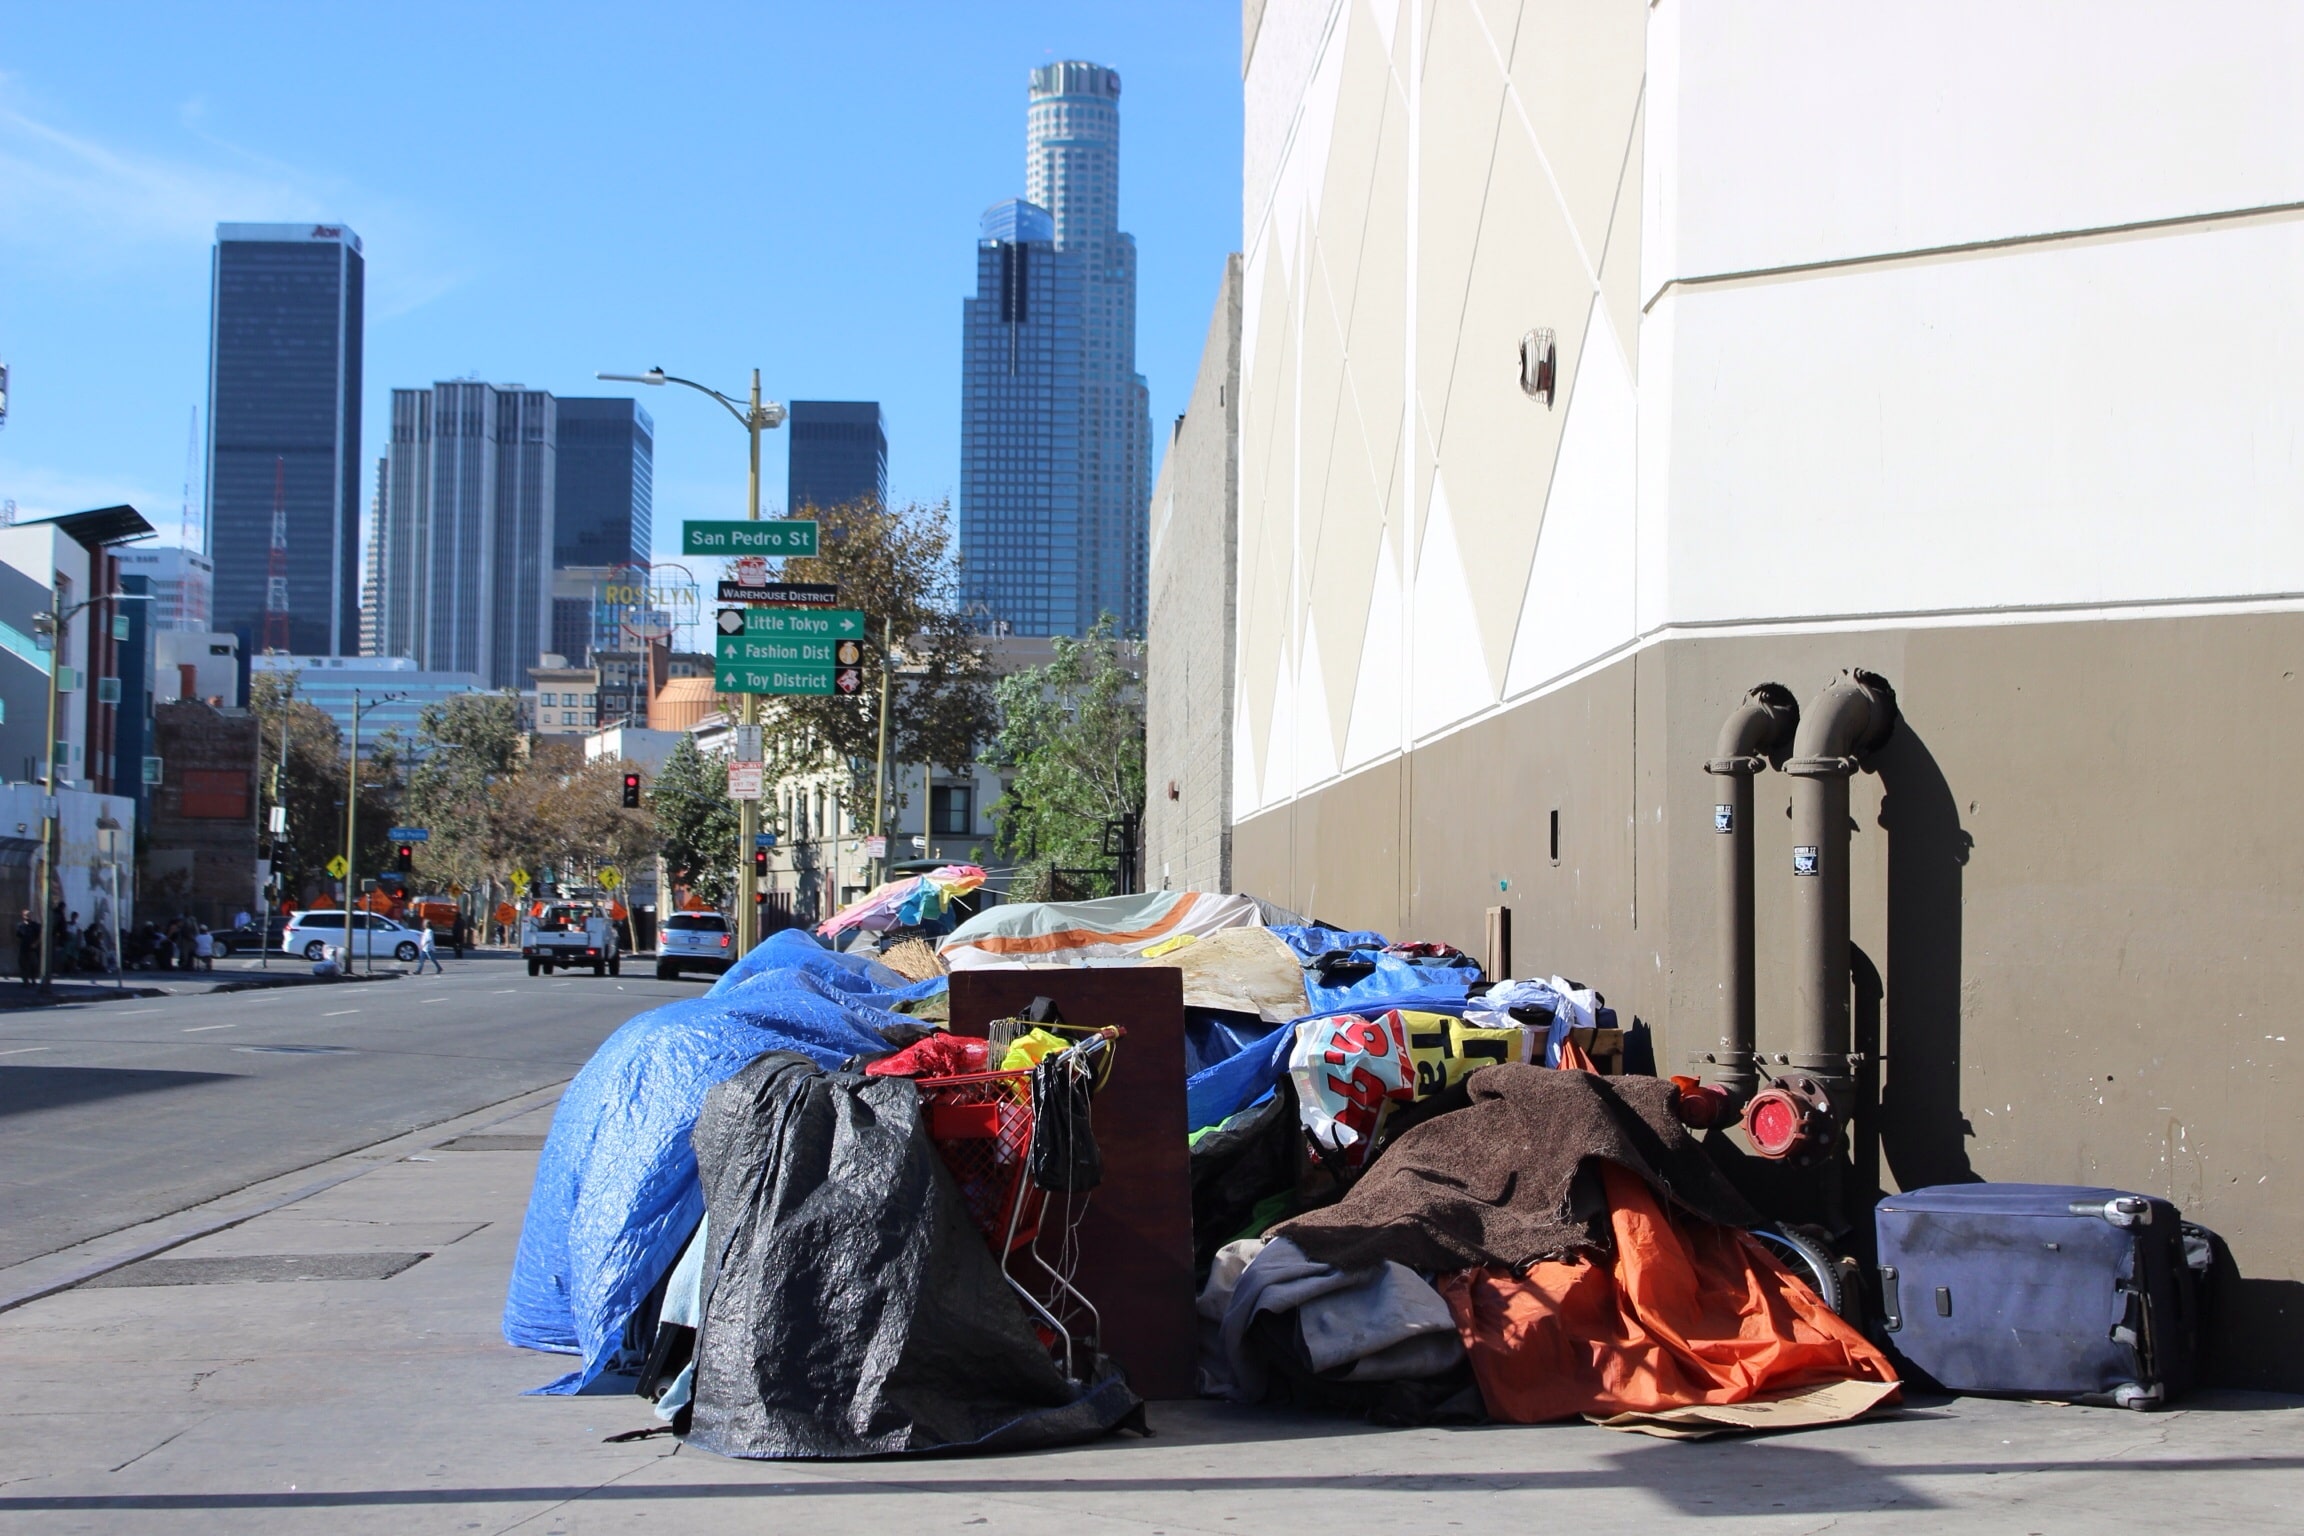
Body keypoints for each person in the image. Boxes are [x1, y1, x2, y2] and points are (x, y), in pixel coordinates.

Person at [14, 910, 37, 985]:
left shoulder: (35, 925)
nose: (28, 917)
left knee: (33, 964)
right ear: (23, 916)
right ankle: (25, 981)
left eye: (29, 915)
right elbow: (18, 936)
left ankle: (33, 979)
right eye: (26, 915)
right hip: (23, 948)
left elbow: (40, 935)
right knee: (23, 964)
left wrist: (36, 943)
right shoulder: (20, 925)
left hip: (32, 948)